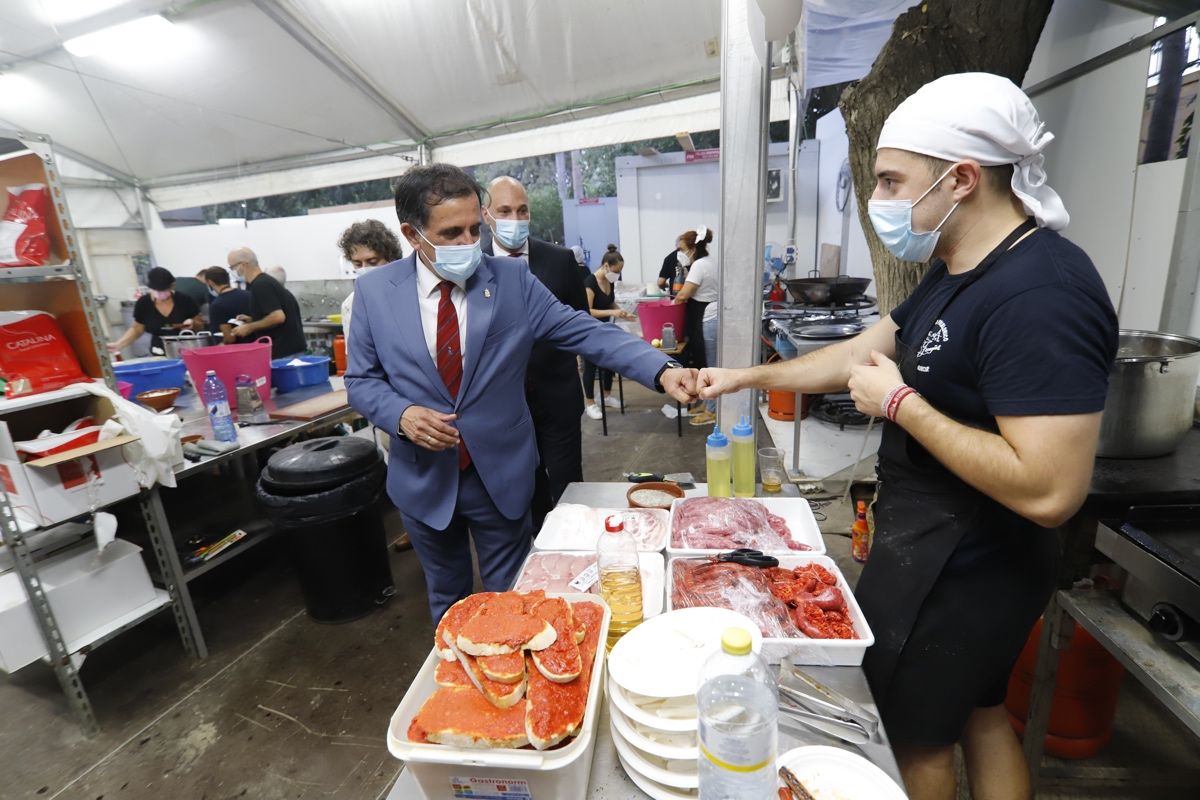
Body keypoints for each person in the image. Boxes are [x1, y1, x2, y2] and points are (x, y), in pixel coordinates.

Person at [698, 73, 1117, 800]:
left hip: (970, 563)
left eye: (892, 181)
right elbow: (862, 349)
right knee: (983, 718)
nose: (879, 199)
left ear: (960, 179)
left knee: (913, 741)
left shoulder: (1043, 291)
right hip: (932, 540)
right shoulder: (957, 270)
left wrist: (900, 403)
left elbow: (1052, 490)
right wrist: (744, 378)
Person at [345, 163, 696, 623]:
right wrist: (402, 414)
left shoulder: (510, 280)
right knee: (447, 601)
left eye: (475, 228)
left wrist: (661, 368)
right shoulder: (374, 292)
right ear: (412, 235)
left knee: (516, 600)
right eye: (451, 233)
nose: (469, 243)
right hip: (424, 478)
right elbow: (361, 380)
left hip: (500, 475)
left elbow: (583, 331)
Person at [482, 175, 590, 528]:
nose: (515, 219)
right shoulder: (474, 265)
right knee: (526, 491)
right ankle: (541, 559)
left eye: (522, 210)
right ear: (487, 215)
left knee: (568, 489)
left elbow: (582, 328)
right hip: (505, 405)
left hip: (557, 397)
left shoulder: (559, 260)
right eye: (505, 210)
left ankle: (577, 549)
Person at [581, 245, 636, 420]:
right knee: (590, 366)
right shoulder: (590, 282)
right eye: (616, 270)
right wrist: (613, 313)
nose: (617, 275)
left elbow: (609, 303)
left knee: (608, 364)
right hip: (590, 330)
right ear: (606, 266)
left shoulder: (609, 281)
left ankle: (606, 395)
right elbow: (588, 310)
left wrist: (623, 312)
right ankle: (590, 403)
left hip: (605, 329)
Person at [226, 247, 307, 359]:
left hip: (284, 353)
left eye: (232, 267)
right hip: (291, 350)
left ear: (243, 265)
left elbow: (278, 317)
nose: (232, 272)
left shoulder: (261, 285)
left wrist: (249, 327)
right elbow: (276, 313)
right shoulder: (267, 282)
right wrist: (253, 318)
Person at [107, 266, 203, 355]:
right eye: (157, 291)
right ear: (151, 288)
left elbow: (200, 325)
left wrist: (193, 324)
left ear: (171, 287)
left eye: (164, 290)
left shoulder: (185, 300)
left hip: (187, 348)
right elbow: (137, 329)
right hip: (159, 349)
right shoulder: (144, 303)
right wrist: (119, 344)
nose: (161, 294)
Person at [338, 219, 404, 347]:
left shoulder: (410, 293)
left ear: (391, 258)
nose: (364, 268)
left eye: (372, 262)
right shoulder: (350, 304)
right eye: (357, 264)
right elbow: (353, 355)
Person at [672, 226, 717, 380]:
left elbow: (684, 294)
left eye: (682, 249)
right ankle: (708, 402)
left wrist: (674, 303)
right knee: (710, 359)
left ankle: (707, 403)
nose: (680, 254)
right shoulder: (711, 261)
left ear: (693, 248)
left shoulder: (699, 265)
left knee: (702, 357)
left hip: (702, 314)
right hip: (711, 312)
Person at [201, 266, 252, 340]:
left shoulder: (217, 305)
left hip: (237, 349)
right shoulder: (249, 295)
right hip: (257, 345)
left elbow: (229, 338)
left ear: (210, 282)